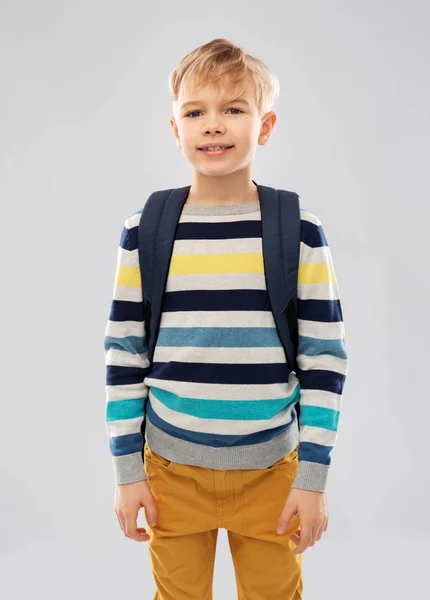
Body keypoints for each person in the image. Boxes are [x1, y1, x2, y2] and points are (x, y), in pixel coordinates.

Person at [104, 37, 348, 599]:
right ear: (175, 129)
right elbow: (123, 355)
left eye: (233, 109)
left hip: (272, 472)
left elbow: (325, 361)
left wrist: (311, 480)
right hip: (169, 472)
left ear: (264, 126)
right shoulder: (146, 231)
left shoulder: (297, 230)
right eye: (195, 112)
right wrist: (127, 472)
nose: (213, 125)